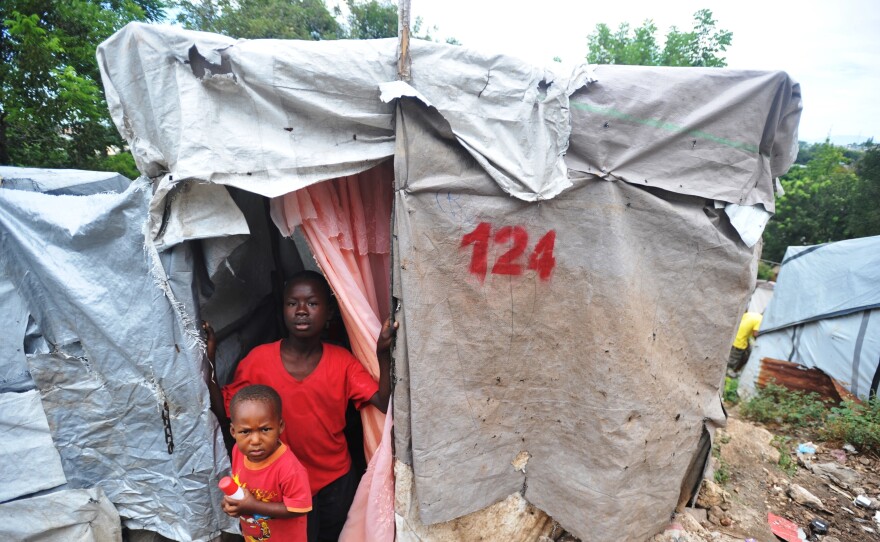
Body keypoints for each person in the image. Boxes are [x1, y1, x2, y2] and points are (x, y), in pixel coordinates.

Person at [210, 270, 396, 542]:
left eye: (312, 303)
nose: (301, 311)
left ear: (329, 311)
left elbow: (382, 401)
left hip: (334, 480)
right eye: (292, 303)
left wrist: (381, 353)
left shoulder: (342, 361)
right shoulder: (258, 361)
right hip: (281, 487)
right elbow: (225, 412)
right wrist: (209, 359)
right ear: (282, 309)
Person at [223, 384, 312, 542]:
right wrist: (232, 504)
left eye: (265, 430)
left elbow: (299, 508)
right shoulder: (238, 451)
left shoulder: (288, 468)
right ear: (233, 432)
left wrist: (252, 506)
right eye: (245, 432)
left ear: (280, 427)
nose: (255, 440)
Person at [727, 311, 763, 375]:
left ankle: (736, 370)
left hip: (733, 335)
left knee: (747, 353)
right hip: (738, 342)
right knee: (732, 360)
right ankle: (727, 373)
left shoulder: (752, 314)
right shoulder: (761, 320)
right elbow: (755, 334)